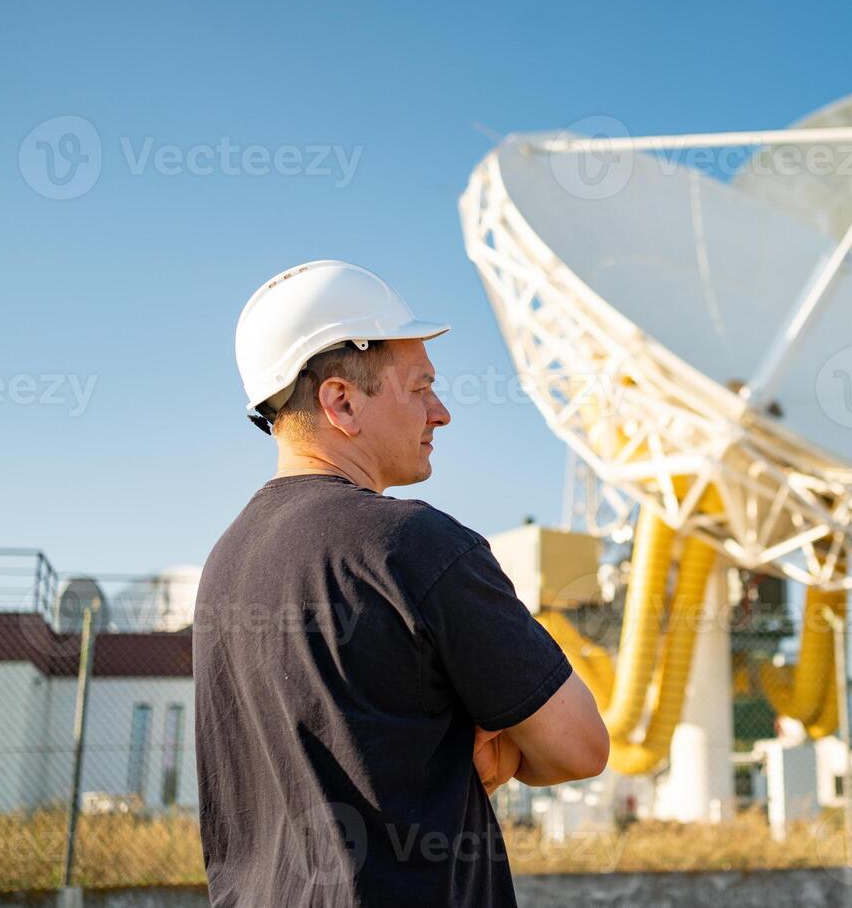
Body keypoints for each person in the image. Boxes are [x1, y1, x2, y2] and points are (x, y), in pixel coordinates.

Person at [194, 260, 608, 908]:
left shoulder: (225, 565)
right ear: (342, 402)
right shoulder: (413, 547)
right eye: (421, 388)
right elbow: (580, 747)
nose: (440, 413)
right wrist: (506, 751)